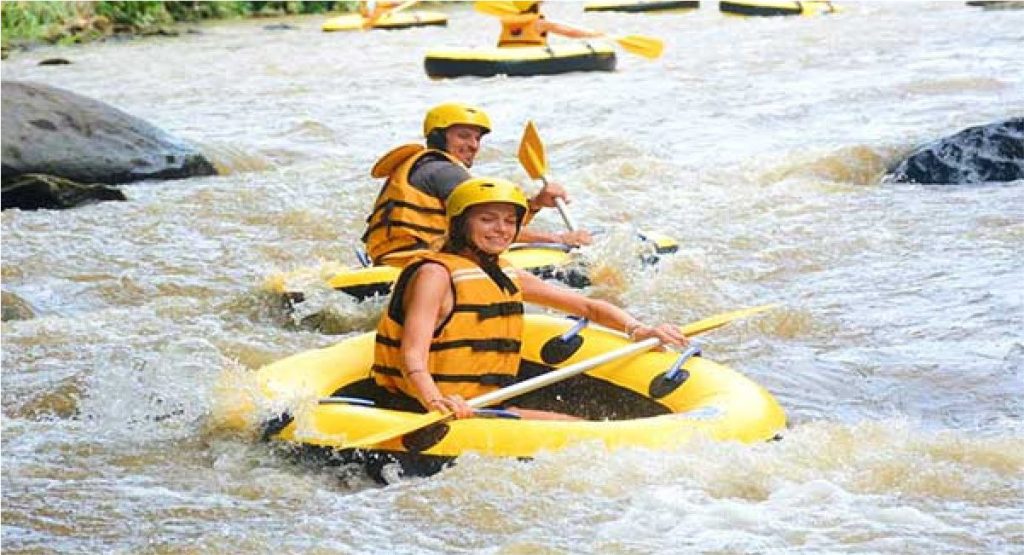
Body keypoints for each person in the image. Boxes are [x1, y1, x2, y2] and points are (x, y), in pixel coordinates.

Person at [371, 177, 688, 420]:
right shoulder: (434, 276)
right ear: (460, 223)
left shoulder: (504, 273)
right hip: (424, 408)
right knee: (578, 433)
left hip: (481, 404)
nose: (501, 230)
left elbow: (588, 307)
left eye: (510, 221)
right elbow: (412, 355)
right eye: (487, 219)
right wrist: (435, 401)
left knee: (576, 425)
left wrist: (637, 328)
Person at [362, 102, 593, 266]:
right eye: (463, 136)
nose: (473, 145)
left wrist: (534, 204)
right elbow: (492, 229)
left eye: (477, 138)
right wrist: (561, 239)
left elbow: (491, 222)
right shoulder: (445, 171)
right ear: (439, 137)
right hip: (419, 262)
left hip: (392, 258)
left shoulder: (418, 165)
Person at [496, 1, 603, 48]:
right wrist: (592, 35)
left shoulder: (507, 22)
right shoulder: (540, 23)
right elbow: (569, 32)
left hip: (506, 54)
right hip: (532, 55)